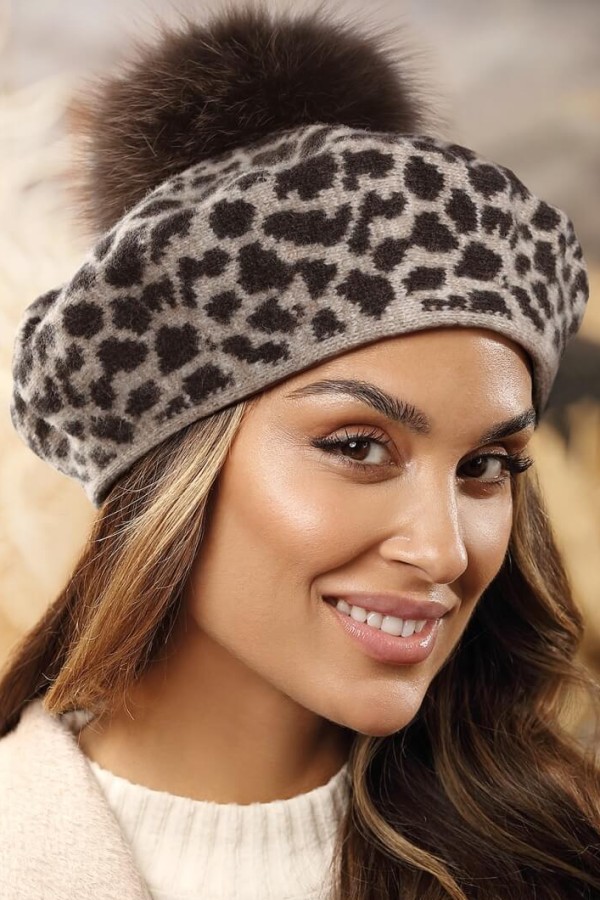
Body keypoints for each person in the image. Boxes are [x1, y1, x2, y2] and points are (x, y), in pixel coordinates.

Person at [1, 7, 599, 899]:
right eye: (358, 446)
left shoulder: (561, 854)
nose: (443, 551)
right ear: (168, 467)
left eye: (484, 466)